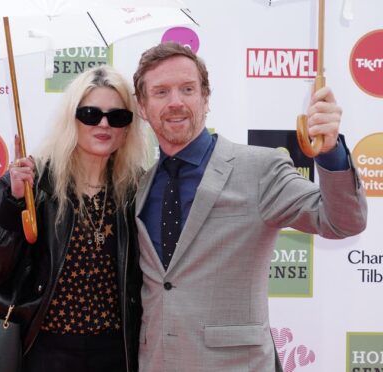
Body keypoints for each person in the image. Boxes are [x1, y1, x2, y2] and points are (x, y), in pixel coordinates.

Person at [132, 42, 367, 372]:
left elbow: (342, 221)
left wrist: (330, 153)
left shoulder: (259, 168)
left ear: (205, 98)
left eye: (187, 89)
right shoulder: (142, 185)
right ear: (142, 106)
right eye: (160, 92)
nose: (176, 102)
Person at [0, 65, 146, 372]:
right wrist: (14, 204)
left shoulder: (136, 190)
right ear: (72, 118)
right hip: (43, 349)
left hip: (114, 353)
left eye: (118, 116)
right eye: (91, 114)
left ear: (127, 128)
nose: (104, 124)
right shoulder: (31, 183)